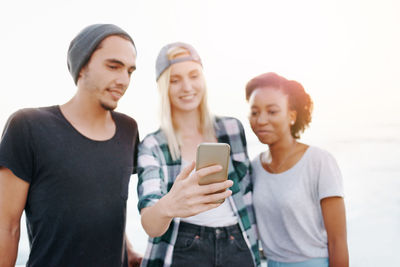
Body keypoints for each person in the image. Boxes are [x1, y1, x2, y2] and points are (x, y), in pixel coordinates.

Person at [0, 24, 142, 267]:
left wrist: (128, 250)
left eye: (130, 71)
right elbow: (6, 226)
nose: (123, 80)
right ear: (82, 65)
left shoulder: (129, 130)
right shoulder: (28, 126)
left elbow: (106, 204)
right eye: (113, 66)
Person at [137, 42, 260, 267]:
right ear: (163, 87)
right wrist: (170, 205)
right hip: (184, 247)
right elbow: (150, 224)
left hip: (238, 243)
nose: (187, 87)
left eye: (194, 76)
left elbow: (249, 193)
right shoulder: (152, 145)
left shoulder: (232, 129)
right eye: (175, 80)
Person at [245, 72, 349, 267]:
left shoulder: (319, 162)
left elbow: (338, 242)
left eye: (272, 111)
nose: (261, 120)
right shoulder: (254, 167)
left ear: (292, 115)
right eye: (255, 112)